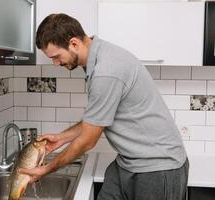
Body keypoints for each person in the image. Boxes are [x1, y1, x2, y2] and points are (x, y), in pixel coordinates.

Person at [19, 13, 189, 200]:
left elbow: (87, 141)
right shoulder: (99, 58)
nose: (56, 63)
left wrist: (47, 169)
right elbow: (96, 119)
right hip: (128, 163)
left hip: (158, 168)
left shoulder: (106, 71)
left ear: (74, 43)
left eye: (57, 56)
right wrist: (61, 138)